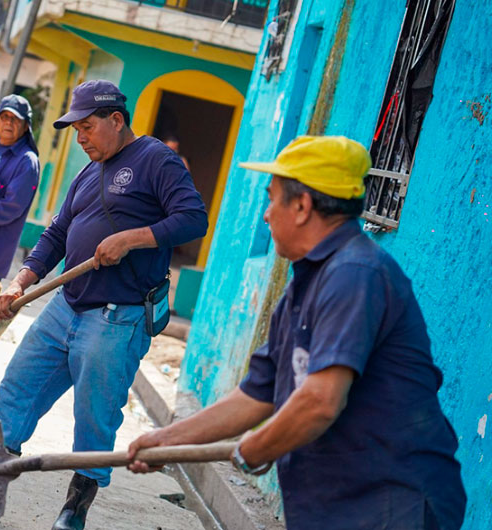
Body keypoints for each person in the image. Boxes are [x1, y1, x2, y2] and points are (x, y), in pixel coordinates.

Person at [127, 136, 466, 530]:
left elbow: (320, 402)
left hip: (391, 502)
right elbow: (257, 395)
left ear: (302, 206)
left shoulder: (355, 274)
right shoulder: (309, 282)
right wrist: (168, 441)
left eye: (272, 199)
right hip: (338, 502)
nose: (267, 215)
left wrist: (254, 448)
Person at [0, 80, 208, 530]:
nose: (81, 137)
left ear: (116, 120)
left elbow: (193, 219)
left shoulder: (156, 160)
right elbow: (55, 235)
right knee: (15, 391)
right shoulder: (88, 173)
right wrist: (20, 282)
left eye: (87, 127)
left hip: (118, 317)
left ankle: (74, 509)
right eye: (76, 130)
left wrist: (132, 239)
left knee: (95, 419)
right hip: (64, 307)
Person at [0, 94, 40, 278]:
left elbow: (11, 207)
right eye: (4, 117)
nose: (8, 123)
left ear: (26, 126)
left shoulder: (27, 162)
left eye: (15, 119)